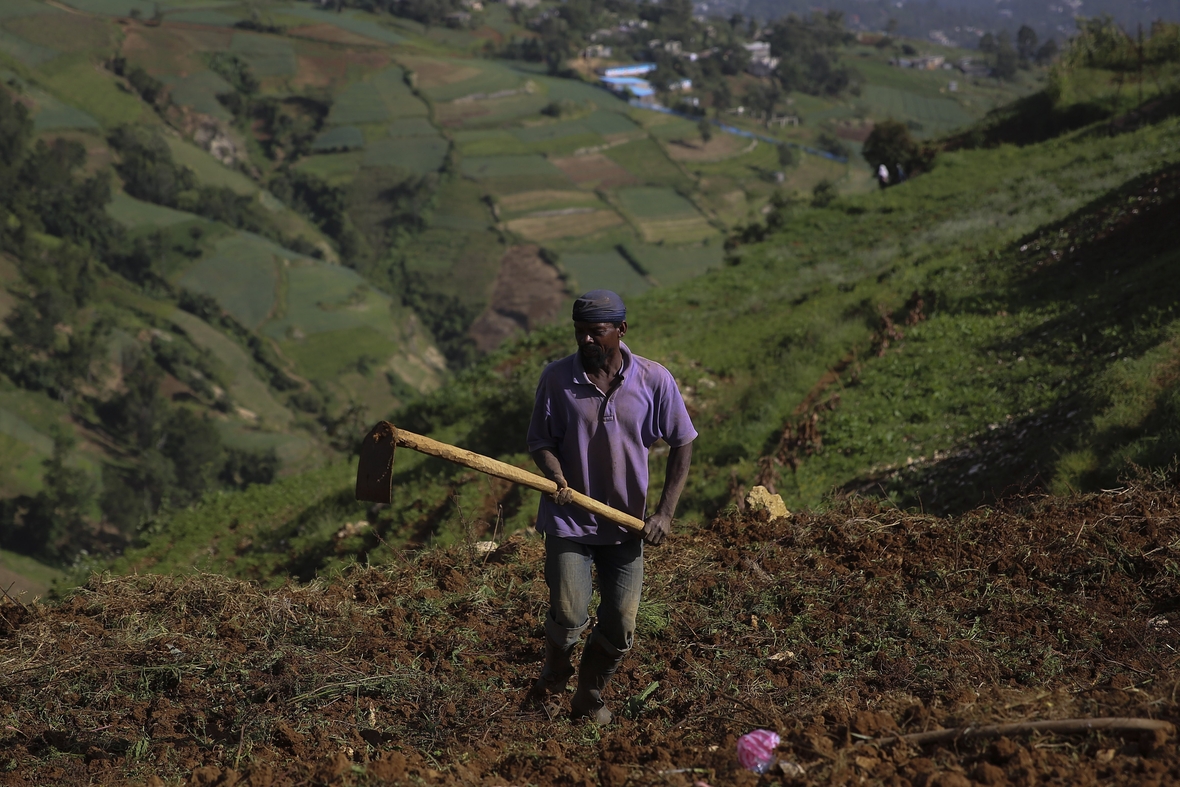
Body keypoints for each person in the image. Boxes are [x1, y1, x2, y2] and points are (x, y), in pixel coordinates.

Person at [526, 289, 696, 723]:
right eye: (580, 332)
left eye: (596, 333)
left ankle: (589, 695)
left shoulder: (654, 380)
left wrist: (664, 513)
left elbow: (683, 443)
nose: (586, 341)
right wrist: (555, 473)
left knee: (620, 624)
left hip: (625, 526)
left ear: (620, 331)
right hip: (569, 521)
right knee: (568, 615)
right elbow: (540, 441)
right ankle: (553, 675)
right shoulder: (557, 378)